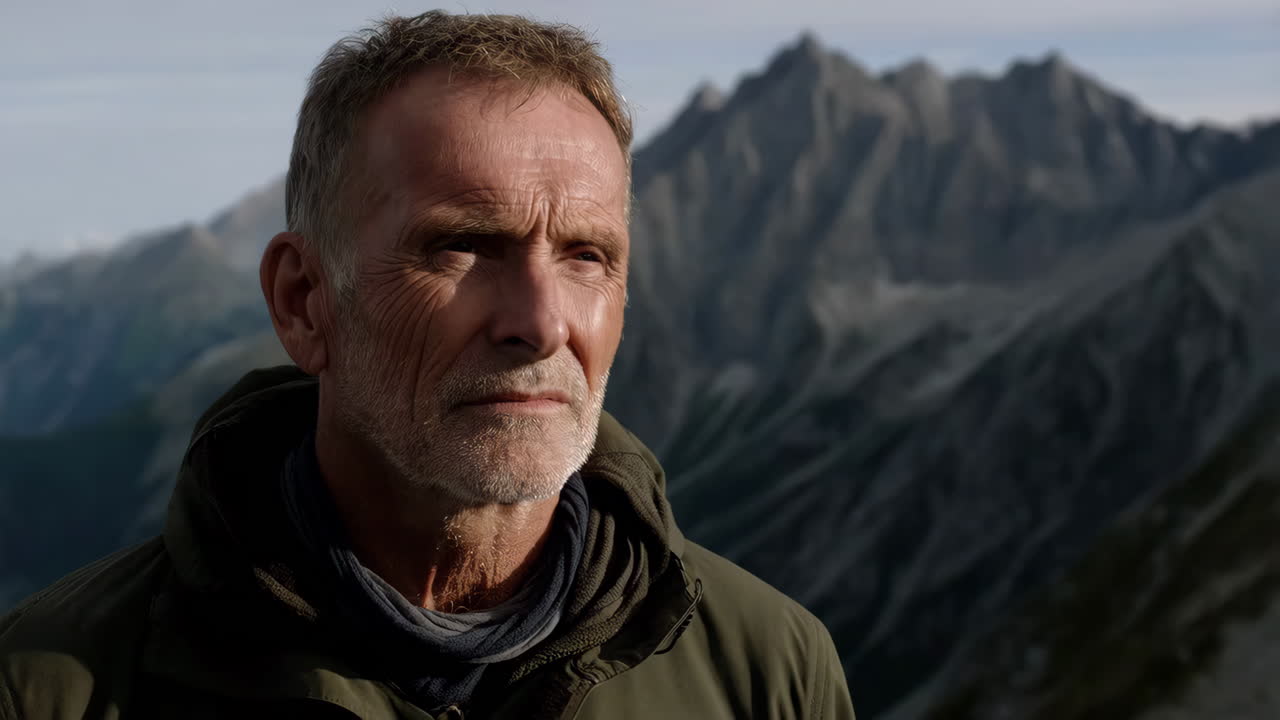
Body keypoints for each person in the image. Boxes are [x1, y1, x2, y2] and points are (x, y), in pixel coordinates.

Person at [0, 11, 854, 719]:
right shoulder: (56, 687)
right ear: (304, 301)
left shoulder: (769, 674)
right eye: (462, 246)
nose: (542, 321)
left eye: (588, 256)